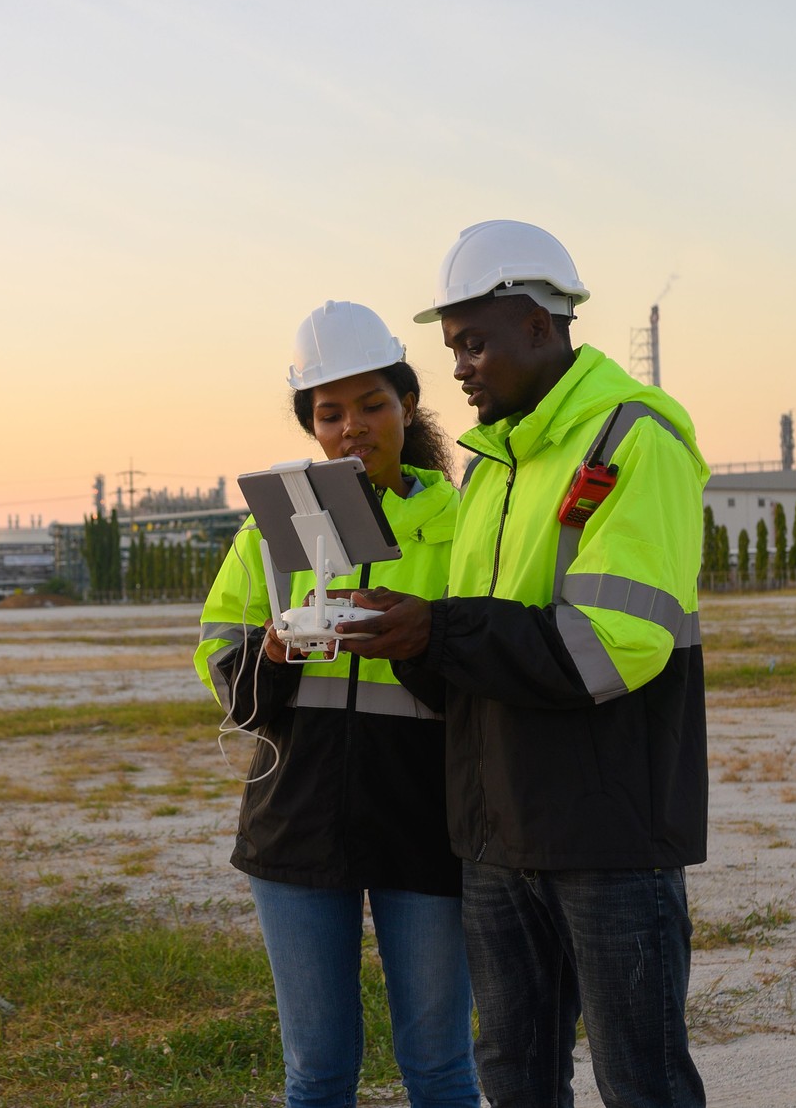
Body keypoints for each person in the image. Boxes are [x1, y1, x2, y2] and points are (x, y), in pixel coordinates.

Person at [347, 221, 709, 1108]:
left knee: (643, 1082)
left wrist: (439, 632)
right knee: (515, 1077)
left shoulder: (632, 437)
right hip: (497, 835)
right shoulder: (491, 467)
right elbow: (474, 653)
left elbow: (610, 644)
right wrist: (408, 640)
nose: (460, 368)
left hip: (607, 835)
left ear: (539, 325)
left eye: (474, 343)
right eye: (452, 348)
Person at [195, 301, 479, 1108]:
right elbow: (225, 667)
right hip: (296, 826)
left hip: (427, 826)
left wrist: (417, 644)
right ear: (311, 426)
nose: (351, 426)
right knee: (317, 1075)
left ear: (408, 405)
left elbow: (487, 677)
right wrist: (274, 654)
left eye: (371, 404)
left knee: (441, 1068)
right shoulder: (269, 531)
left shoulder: (463, 526)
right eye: (330, 412)